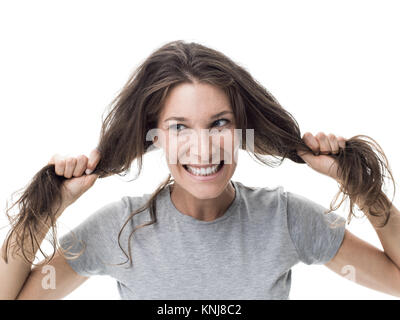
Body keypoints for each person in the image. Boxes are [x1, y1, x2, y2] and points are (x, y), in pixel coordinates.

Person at [1, 41, 400, 300]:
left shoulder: (286, 220)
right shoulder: (120, 228)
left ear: (244, 128)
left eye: (219, 123)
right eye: (179, 127)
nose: (204, 148)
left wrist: (362, 188)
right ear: (154, 136)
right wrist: (48, 208)